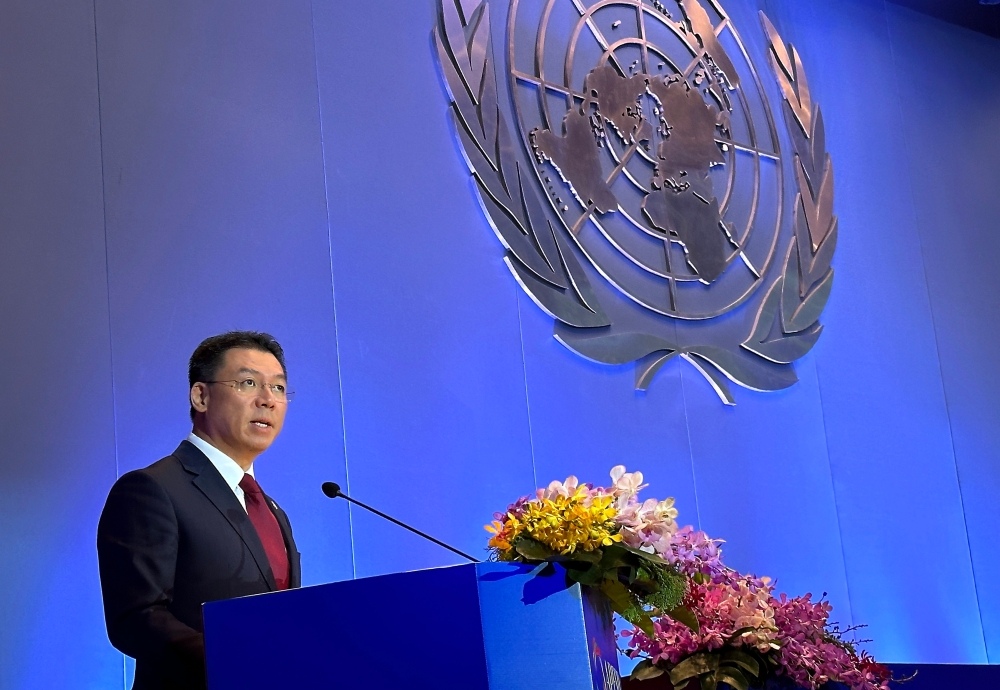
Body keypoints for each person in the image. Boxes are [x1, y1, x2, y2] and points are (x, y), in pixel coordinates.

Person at [97, 331, 301, 690]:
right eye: (249, 383)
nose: (267, 400)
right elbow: (137, 617)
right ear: (201, 395)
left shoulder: (272, 510)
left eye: (279, 388)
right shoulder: (152, 489)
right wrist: (234, 659)